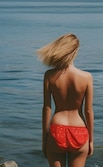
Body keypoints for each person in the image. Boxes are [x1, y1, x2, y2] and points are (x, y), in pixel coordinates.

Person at [37, 33, 94, 167]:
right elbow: (89, 111)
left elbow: (47, 108)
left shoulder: (49, 76)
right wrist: (91, 140)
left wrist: (45, 139)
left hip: (57, 130)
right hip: (79, 130)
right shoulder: (86, 77)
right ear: (75, 51)